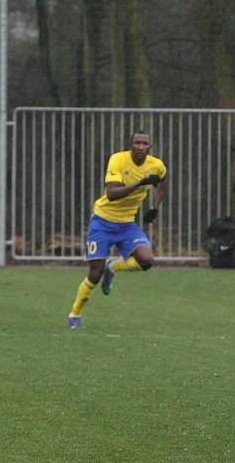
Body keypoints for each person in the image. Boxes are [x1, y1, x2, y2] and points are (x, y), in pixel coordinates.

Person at [67, 130, 168, 329]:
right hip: (102, 222)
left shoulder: (156, 165)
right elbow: (112, 194)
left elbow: (164, 181)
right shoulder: (118, 160)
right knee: (95, 272)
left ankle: (113, 267)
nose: (140, 147)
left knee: (146, 260)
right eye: (136, 143)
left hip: (126, 224)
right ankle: (74, 314)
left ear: (150, 147)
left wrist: (155, 207)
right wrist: (139, 183)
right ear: (130, 145)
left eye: (144, 144)